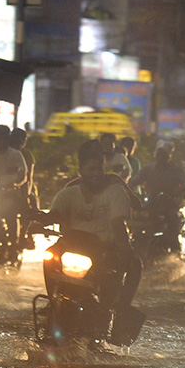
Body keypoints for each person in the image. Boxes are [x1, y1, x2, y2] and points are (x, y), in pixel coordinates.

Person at [43, 141, 143, 342]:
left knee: (134, 267)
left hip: (104, 247)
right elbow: (56, 214)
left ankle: (119, 315)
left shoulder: (115, 187)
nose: (95, 172)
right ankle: (52, 300)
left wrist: (126, 249)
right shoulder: (69, 190)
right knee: (49, 255)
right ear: (81, 170)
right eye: (90, 168)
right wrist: (36, 219)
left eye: (98, 167)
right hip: (73, 245)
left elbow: (118, 223)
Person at [131, 143, 185, 254]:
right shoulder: (148, 169)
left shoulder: (176, 170)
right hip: (150, 203)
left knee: (173, 221)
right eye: (159, 154)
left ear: (169, 156)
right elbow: (135, 181)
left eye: (164, 154)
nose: (161, 157)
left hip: (169, 203)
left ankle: (175, 252)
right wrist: (127, 189)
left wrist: (179, 190)